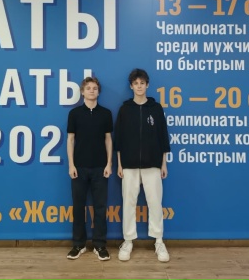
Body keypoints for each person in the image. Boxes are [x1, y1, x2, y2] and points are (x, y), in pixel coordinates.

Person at [114, 68, 171, 263]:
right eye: (136, 83)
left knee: (155, 202)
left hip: (152, 164)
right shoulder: (125, 109)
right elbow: (119, 139)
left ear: (147, 85)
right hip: (128, 165)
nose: (139, 86)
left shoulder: (156, 108)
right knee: (128, 203)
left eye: (142, 83)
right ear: (131, 86)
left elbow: (163, 137)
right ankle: (128, 241)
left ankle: (159, 241)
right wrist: (120, 164)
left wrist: (163, 163)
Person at [66, 76, 113, 261]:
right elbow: (70, 140)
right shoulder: (74, 114)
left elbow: (108, 139)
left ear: (98, 92)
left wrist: (109, 164)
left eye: (95, 88)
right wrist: (71, 164)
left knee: (100, 207)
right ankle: (78, 244)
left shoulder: (106, 113)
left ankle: (100, 245)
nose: (92, 91)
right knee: (79, 207)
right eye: (88, 88)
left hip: (101, 168)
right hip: (79, 168)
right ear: (82, 92)